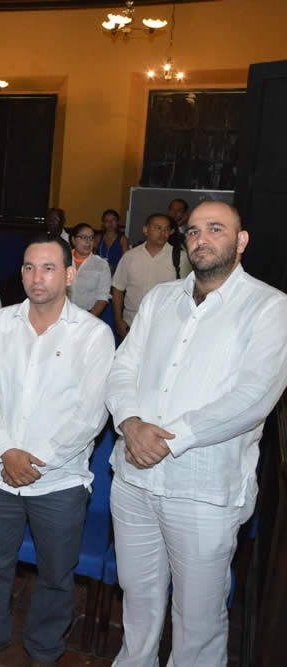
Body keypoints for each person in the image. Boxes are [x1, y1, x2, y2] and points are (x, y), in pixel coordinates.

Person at [105, 201, 287, 666]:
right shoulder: (162, 299)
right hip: (134, 481)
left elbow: (252, 397)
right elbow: (122, 367)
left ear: (241, 241)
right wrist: (130, 424)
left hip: (203, 490)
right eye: (193, 232)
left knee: (199, 622)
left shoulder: (270, 307)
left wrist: (165, 439)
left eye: (216, 229)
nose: (201, 239)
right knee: (138, 603)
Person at [0, 236, 114, 667]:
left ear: (69, 274)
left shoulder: (94, 335)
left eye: (48, 268)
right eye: (29, 267)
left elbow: (91, 413)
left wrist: (34, 460)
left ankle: (44, 650)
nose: (36, 277)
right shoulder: (1, 323)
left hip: (59, 479)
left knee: (55, 575)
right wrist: (8, 451)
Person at [111, 213, 188, 339]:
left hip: (165, 327)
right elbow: (118, 289)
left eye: (166, 229)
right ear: (145, 230)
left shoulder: (180, 258)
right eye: (157, 228)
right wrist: (118, 321)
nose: (162, 233)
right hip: (132, 325)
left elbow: (189, 291)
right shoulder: (130, 257)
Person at [68, 223, 111, 317]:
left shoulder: (101, 265)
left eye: (91, 238)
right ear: (73, 240)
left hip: (88, 315)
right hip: (62, 314)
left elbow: (102, 297)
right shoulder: (63, 260)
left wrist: (89, 320)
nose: (88, 242)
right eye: (84, 237)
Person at [95, 208, 128, 274]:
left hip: (116, 272)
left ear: (117, 222)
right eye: (107, 221)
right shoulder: (98, 238)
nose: (110, 223)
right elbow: (92, 255)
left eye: (113, 220)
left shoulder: (123, 239)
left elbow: (126, 260)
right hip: (99, 272)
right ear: (103, 223)